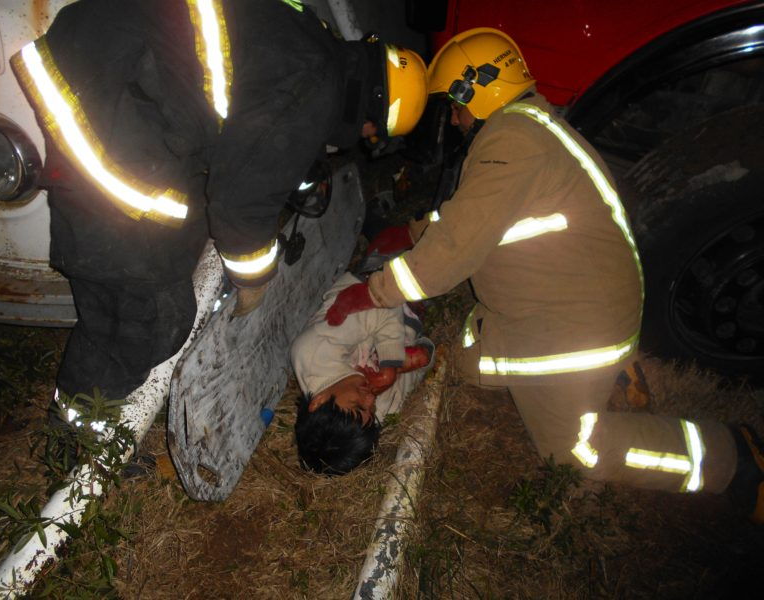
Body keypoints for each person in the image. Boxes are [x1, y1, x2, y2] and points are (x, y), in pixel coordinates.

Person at [324, 28, 764, 522]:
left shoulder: (510, 142)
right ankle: (609, 374)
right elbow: (474, 216)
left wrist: (374, 291)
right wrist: (412, 230)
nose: (452, 116)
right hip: (572, 303)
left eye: (453, 104)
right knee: (469, 363)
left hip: (576, 324)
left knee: (577, 454)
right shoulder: (525, 130)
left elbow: (454, 250)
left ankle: (734, 458)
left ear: (475, 90)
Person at [9, 0, 428, 412]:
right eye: (371, 131)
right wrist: (255, 277)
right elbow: (240, 204)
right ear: (374, 107)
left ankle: (91, 380)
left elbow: (248, 131)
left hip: (110, 60)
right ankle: (82, 432)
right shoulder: (313, 84)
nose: (362, 135)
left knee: (167, 242)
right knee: (154, 310)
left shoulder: (315, 47)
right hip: (108, 86)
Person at [291, 270, 433, 474]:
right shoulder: (372, 415)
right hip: (413, 314)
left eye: (358, 405)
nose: (371, 401)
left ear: (319, 402)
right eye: (372, 410)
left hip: (376, 280)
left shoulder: (313, 353)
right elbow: (425, 361)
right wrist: (421, 357)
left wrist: (390, 363)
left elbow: (382, 306)